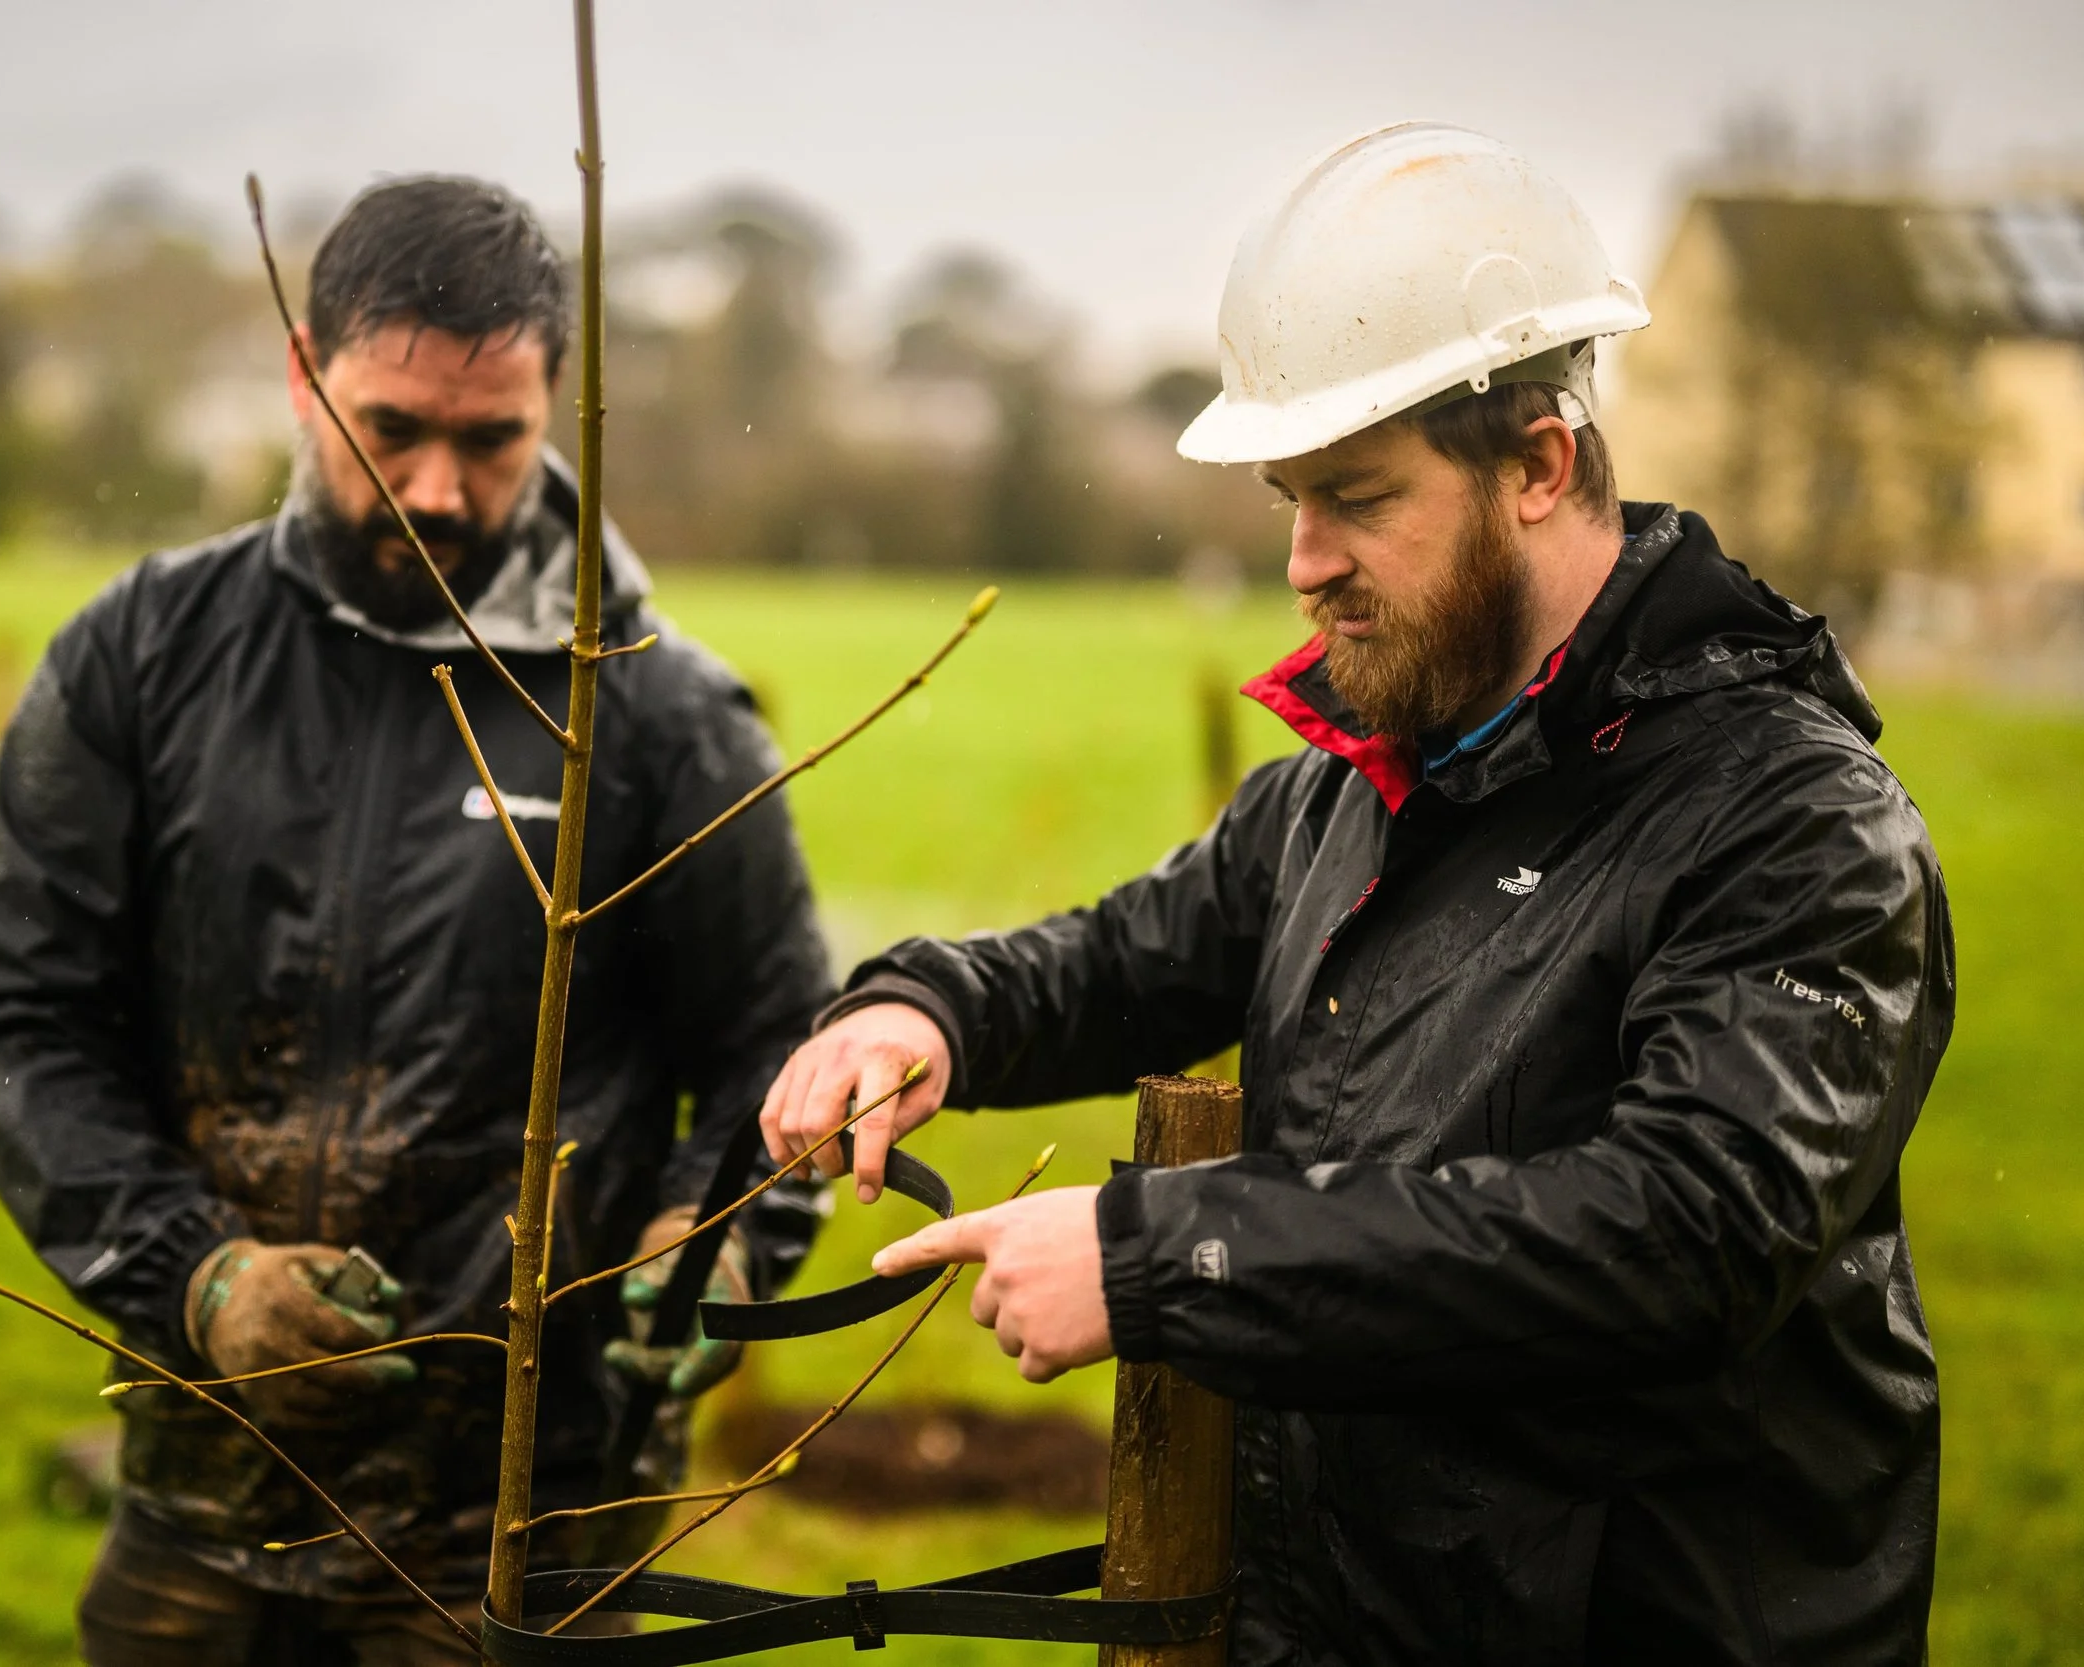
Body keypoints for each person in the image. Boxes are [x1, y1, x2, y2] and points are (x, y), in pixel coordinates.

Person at [761, 123, 1953, 1666]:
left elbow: (1687, 1232)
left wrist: (1165, 1253)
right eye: (1290, 499)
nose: (1304, 561)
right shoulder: (1370, 776)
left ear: (1541, 465)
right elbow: (1126, 959)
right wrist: (928, 1011)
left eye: (1357, 496)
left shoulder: (1792, 823)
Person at [0, 175, 831, 1667]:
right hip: (201, 1500)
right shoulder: (138, 659)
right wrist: (195, 1277)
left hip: (524, 1539)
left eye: (491, 440)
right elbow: (28, 1023)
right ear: (306, 374)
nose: (436, 489)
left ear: (556, 403)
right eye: (392, 428)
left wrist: (716, 1246)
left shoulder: (664, 716)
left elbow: (778, 1049)